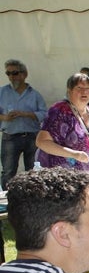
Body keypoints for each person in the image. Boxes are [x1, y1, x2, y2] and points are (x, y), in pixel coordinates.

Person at [36, 73, 89, 174]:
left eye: (88, 88)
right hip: (61, 175)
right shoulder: (60, 110)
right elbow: (42, 141)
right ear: (69, 91)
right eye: (79, 88)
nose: (84, 91)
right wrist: (74, 154)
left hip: (88, 175)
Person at [0, 59, 47, 189]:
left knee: (33, 171)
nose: (11, 77)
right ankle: (6, 201)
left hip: (31, 136)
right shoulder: (2, 92)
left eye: (14, 73)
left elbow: (44, 114)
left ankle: (32, 199)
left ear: (24, 74)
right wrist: (5, 117)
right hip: (10, 136)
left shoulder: (34, 94)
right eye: (8, 73)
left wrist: (25, 114)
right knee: (8, 171)